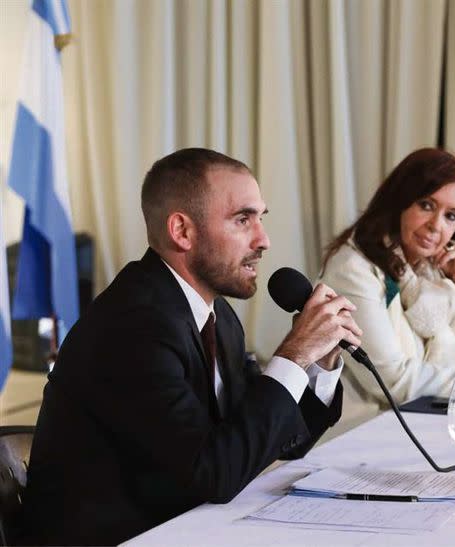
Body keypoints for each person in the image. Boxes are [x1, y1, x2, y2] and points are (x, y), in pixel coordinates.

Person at [22, 148, 362, 546]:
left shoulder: (218, 317)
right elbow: (213, 474)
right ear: (182, 231)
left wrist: (319, 363)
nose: (264, 240)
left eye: (261, 219)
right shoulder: (133, 323)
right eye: (242, 219)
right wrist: (293, 355)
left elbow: (273, 440)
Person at [319, 148, 455, 428]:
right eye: (426, 205)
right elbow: (392, 380)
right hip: (361, 433)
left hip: (418, 424)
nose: (436, 226)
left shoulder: (429, 271)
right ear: (399, 202)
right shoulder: (353, 269)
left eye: (451, 216)